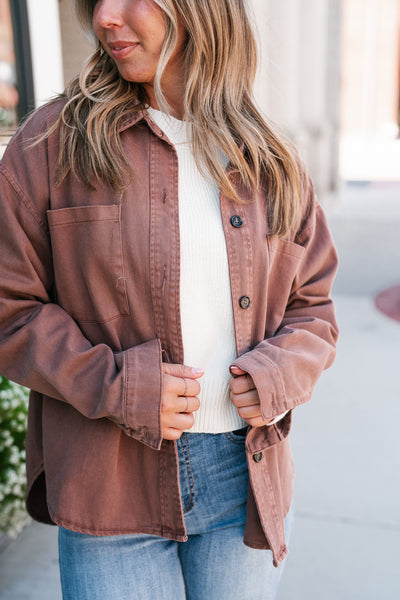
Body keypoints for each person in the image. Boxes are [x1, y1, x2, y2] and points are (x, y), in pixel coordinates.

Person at [0, 0, 339, 598]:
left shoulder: (271, 161)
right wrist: (116, 384)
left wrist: (278, 373)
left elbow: (312, 309)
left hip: (245, 484)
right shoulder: (52, 144)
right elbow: (10, 306)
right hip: (109, 486)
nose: (106, 16)